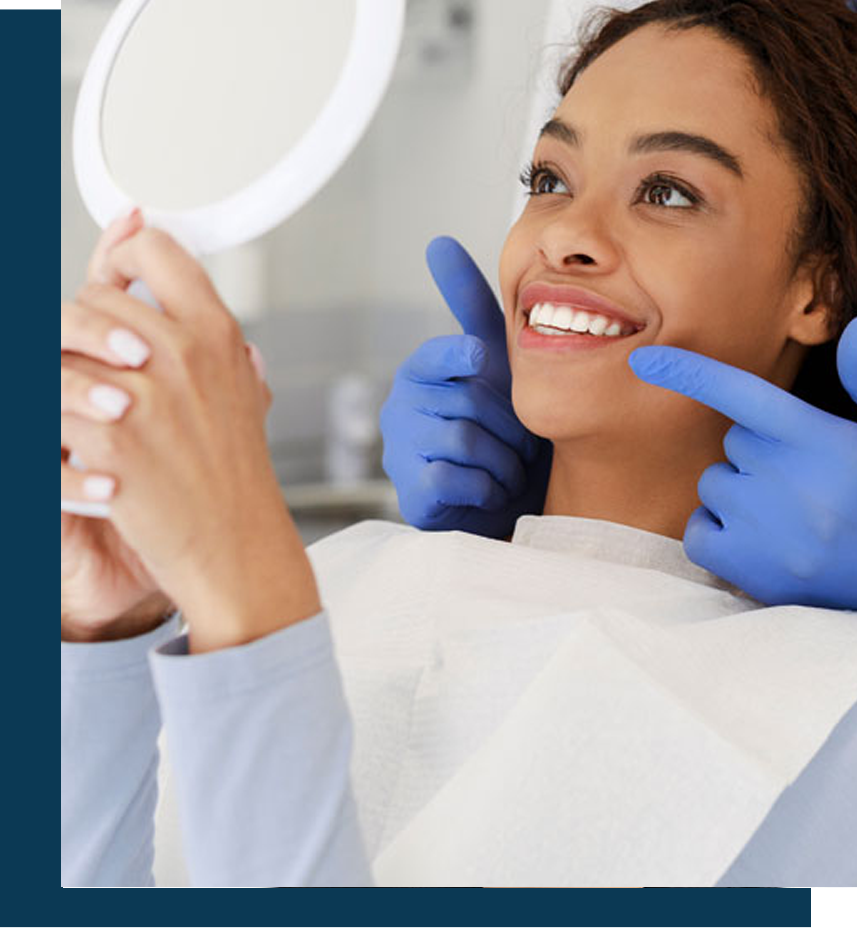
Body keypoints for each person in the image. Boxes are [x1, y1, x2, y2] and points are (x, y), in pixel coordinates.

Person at [61, 0, 857, 887]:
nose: (563, 234)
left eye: (666, 192)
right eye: (549, 178)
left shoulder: (815, 719)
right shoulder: (349, 580)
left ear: (817, 290)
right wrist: (104, 636)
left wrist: (245, 584)